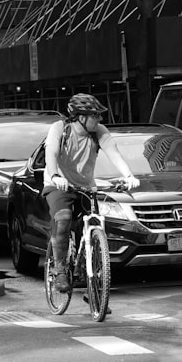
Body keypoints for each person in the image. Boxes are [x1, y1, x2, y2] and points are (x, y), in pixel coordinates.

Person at [43, 94, 139, 293]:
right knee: (63, 218)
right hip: (58, 185)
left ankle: (94, 290)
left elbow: (115, 155)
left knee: (93, 226)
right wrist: (55, 175)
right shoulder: (60, 129)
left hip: (85, 186)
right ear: (80, 117)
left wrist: (129, 175)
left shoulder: (99, 132)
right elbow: (51, 152)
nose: (100, 119)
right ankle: (60, 269)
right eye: (95, 115)